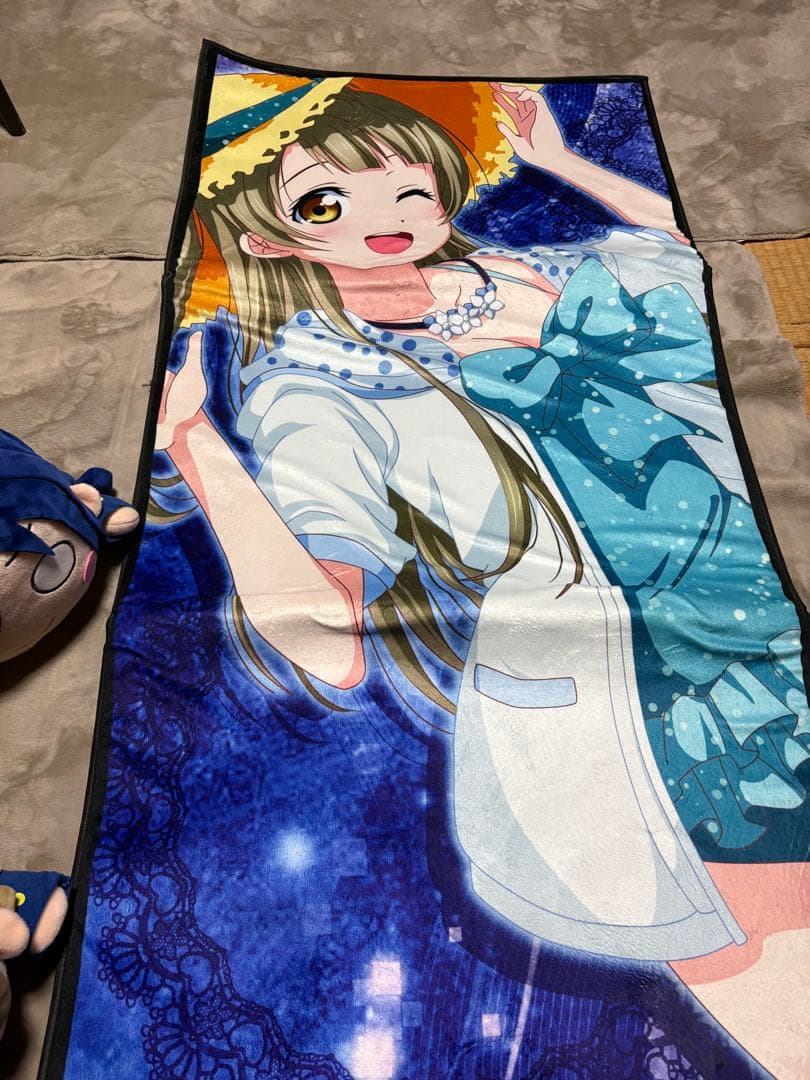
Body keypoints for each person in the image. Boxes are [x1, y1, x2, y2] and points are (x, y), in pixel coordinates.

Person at [154, 79, 808, 1076]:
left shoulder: (522, 270)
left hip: (757, 612)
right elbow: (323, 632)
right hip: (644, 721)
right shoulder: (313, 386)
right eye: (326, 202)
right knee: (783, 983)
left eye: (410, 189)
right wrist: (196, 444)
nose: (384, 218)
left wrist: (565, 166)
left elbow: (683, 261)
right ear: (266, 239)